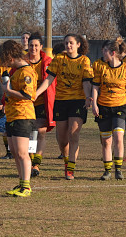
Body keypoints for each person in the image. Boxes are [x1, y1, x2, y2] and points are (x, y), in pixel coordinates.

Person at [36, 34, 93, 180]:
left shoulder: (84, 60)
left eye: (71, 43)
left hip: (78, 101)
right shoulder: (59, 59)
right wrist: (36, 93)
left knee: (73, 134)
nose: (68, 46)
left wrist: (88, 97)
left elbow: (86, 82)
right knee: (62, 139)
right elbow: (49, 79)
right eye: (66, 43)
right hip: (61, 101)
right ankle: (66, 158)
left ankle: (70, 169)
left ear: (78, 44)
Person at [92, 38, 126, 180]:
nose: (103, 53)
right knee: (106, 141)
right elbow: (95, 87)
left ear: (112, 53)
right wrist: (94, 104)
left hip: (120, 107)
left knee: (119, 137)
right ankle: (107, 170)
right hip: (104, 108)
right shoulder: (101, 67)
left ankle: (118, 170)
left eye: (105, 51)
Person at [0, 40, 38, 197]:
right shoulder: (15, 71)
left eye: (4, 58)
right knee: (14, 151)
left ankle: (27, 186)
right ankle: (21, 182)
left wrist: (7, 90)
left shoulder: (26, 72)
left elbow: (28, 95)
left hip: (23, 115)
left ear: (10, 56)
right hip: (12, 114)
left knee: (22, 152)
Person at [28, 33, 56, 177]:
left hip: (42, 102)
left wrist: (37, 94)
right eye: (31, 45)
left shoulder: (48, 62)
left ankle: (36, 164)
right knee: (29, 134)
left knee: (41, 132)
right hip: (25, 103)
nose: (33, 48)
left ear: (41, 47)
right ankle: (30, 161)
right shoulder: (23, 61)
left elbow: (51, 81)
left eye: (36, 46)